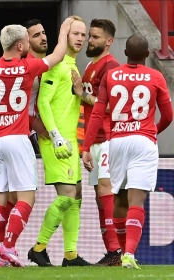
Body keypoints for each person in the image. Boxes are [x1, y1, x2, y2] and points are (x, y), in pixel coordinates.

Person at [0, 18, 73, 267]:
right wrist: (64, 30)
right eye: (26, 40)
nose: (29, 44)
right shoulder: (28, 67)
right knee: (27, 198)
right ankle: (9, 246)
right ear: (19, 45)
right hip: (17, 137)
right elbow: (57, 56)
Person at [82, 34, 173, 269]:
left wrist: (85, 147)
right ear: (146, 55)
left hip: (117, 141)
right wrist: (153, 131)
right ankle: (129, 255)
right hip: (143, 141)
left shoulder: (112, 75)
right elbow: (169, 115)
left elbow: (98, 112)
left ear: (125, 54)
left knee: (119, 198)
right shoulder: (155, 76)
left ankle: (124, 253)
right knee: (137, 199)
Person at [28, 15, 92, 267]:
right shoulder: (56, 66)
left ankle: (70, 255)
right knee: (66, 196)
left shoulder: (73, 67)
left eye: (83, 34)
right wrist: (55, 137)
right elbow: (43, 101)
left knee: (76, 196)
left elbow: (74, 101)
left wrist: (84, 95)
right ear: (65, 36)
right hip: (57, 141)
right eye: (75, 33)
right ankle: (38, 248)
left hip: (70, 141)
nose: (80, 38)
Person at [71, 18, 121, 266]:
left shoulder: (111, 66)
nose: (90, 40)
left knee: (105, 192)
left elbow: (111, 105)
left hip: (108, 137)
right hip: (95, 139)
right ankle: (112, 252)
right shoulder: (92, 65)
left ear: (109, 41)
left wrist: (82, 94)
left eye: (96, 37)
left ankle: (117, 252)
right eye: (90, 36)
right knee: (100, 197)